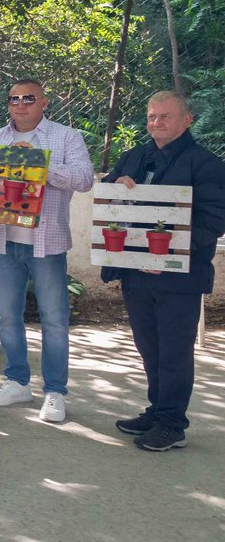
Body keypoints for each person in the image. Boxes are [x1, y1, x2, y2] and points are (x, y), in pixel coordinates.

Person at [102, 91, 225, 451]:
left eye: (166, 117)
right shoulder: (134, 157)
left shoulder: (206, 164)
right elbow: (106, 200)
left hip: (178, 276)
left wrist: (167, 256)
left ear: (187, 120)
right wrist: (116, 188)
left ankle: (173, 424)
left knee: (174, 350)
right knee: (149, 346)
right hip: (135, 271)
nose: (157, 123)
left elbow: (213, 221)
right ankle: (157, 410)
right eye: (152, 117)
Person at [0, 79, 93, 422]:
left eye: (29, 98)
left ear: (44, 102)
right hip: (3, 240)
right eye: (14, 98)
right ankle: (17, 382)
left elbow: (85, 178)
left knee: (55, 320)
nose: (21, 104)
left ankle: (55, 392)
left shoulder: (66, 137)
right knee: (6, 316)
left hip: (47, 243)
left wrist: (42, 167)